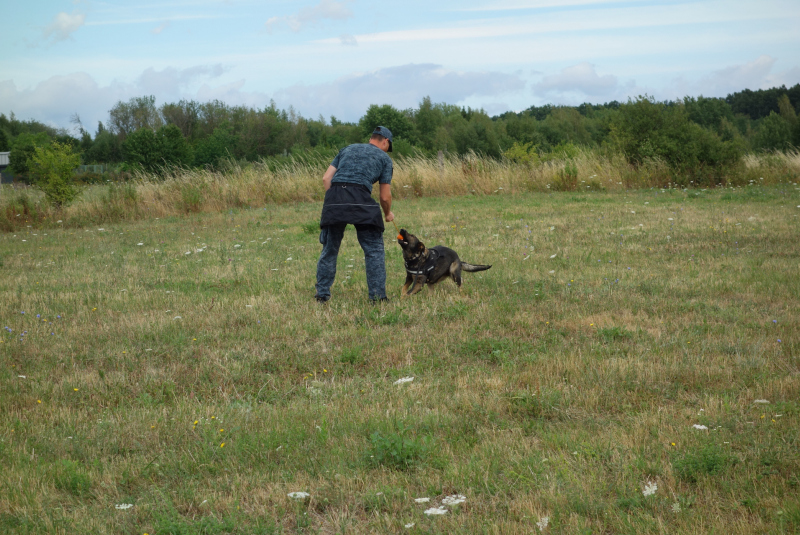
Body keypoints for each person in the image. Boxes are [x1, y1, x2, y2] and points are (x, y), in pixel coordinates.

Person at [314, 126, 396, 303]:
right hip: (360, 197)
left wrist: (334, 201)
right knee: (374, 249)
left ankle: (322, 295)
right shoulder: (384, 159)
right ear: (385, 142)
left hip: (334, 196)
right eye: (389, 146)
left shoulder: (347, 149)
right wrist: (388, 213)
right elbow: (384, 195)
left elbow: (326, 178)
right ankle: (377, 297)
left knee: (330, 248)